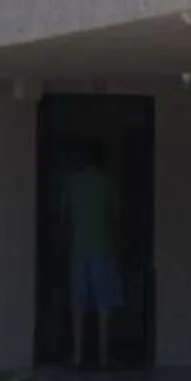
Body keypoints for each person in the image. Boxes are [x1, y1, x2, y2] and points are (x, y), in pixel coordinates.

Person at [58, 146, 125, 367]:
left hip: (79, 250)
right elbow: (117, 218)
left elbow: (63, 218)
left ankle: (78, 355)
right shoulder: (107, 184)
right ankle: (104, 356)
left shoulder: (73, 184)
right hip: (103, 249)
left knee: (78, 304)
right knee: (104, 305)